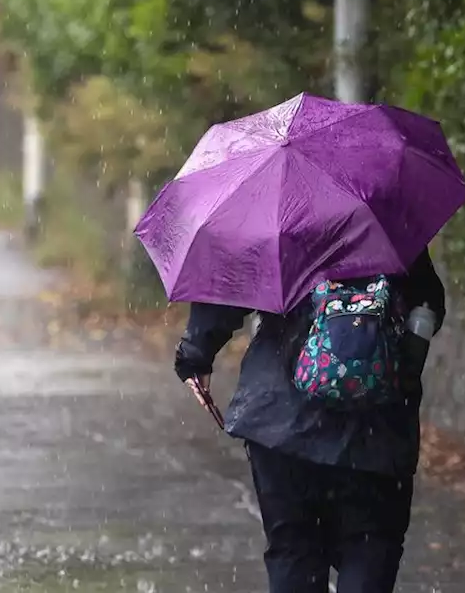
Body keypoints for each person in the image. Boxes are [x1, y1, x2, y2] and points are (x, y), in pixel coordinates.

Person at [174, 249, 446, 593]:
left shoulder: (275, 224)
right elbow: (430, 303)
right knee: (370, 546)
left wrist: (196, 353)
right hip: (376, 429)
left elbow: (230, 282)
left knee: (294, 550)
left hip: (282, 422)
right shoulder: (384, 222)